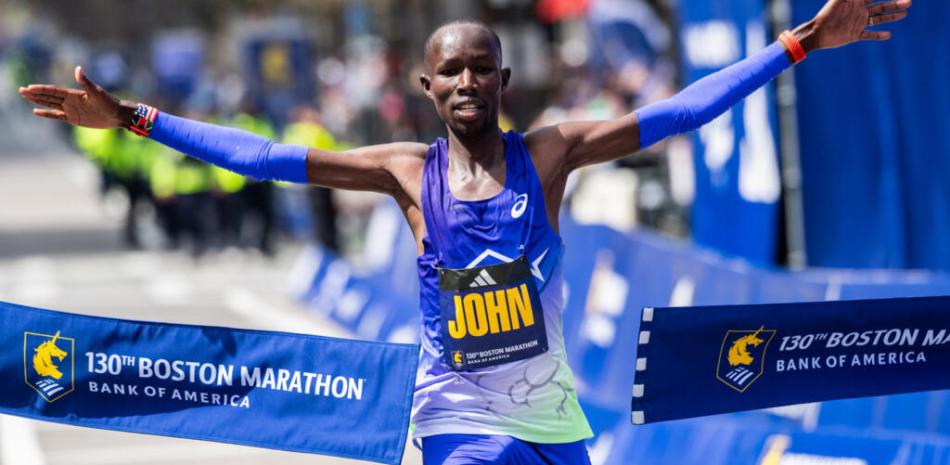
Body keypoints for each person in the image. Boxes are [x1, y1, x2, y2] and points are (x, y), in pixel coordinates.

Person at [18, 0, 910, 463]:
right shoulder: (406, 173)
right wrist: (135, 119)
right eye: (450, 71)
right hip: (457, 422)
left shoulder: (552, 156)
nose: (467, 82)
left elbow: (681, 111)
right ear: (426, 85)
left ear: (505, 78)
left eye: (482, 67)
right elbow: (261, 157)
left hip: (556, 421)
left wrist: (797, 45)